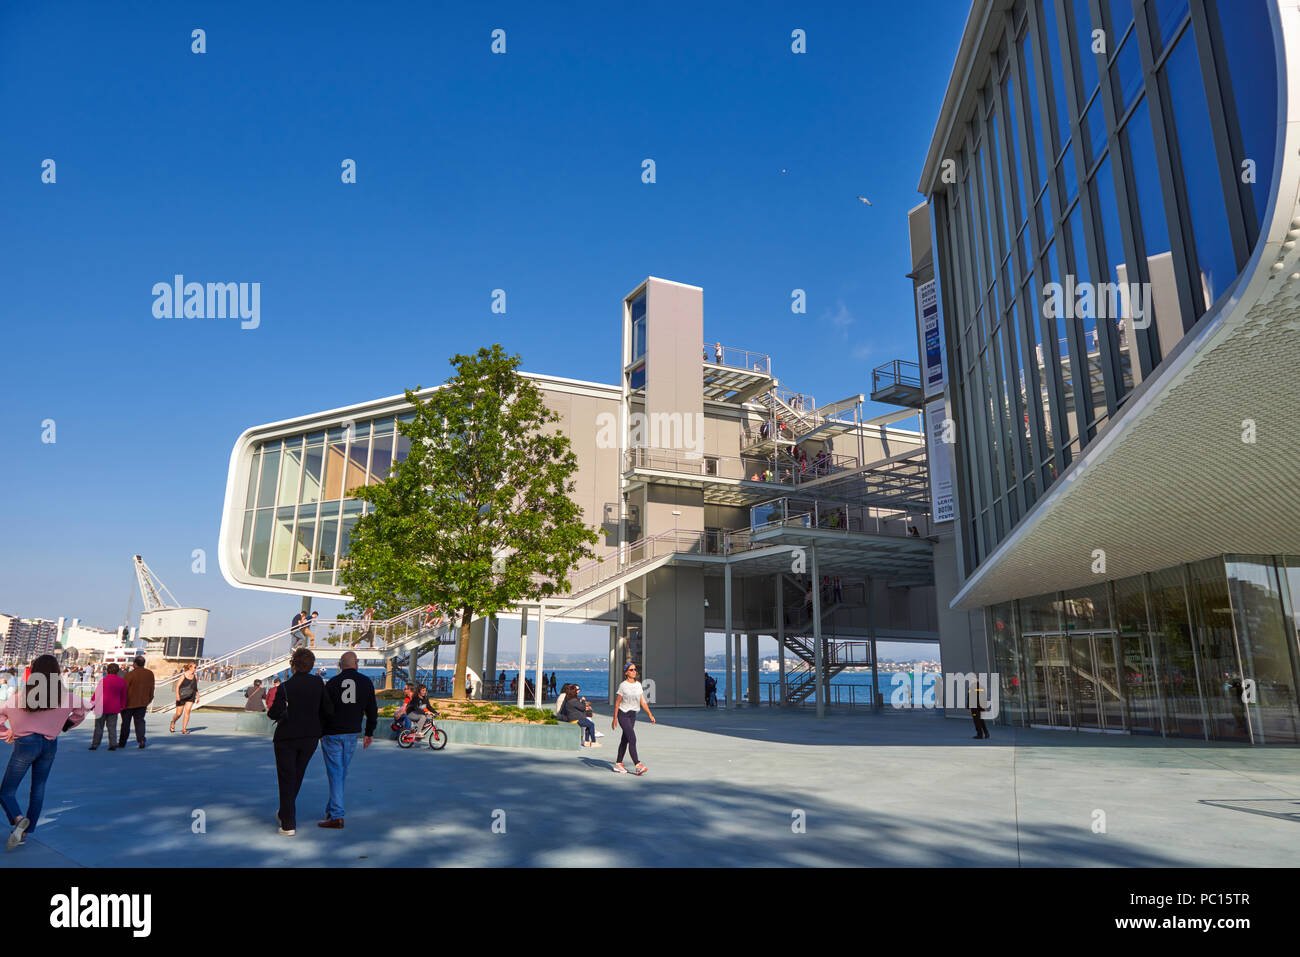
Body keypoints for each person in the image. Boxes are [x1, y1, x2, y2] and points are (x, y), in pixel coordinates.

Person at [0, 655, 88, 850]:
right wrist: (65, 725)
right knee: (38, 789)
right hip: (49, 744)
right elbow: (82, 711)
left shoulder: (20, 697)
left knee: (6, 791)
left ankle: (18, 818)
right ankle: (25, 832)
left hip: (25, 744)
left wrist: (7, 733)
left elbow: (1, 714)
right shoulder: (65, 697)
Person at [267, 648, 334, 836]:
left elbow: (273, 712)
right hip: (310, 737)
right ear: (312, 665)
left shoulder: (285, 687)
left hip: (286, 736)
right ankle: (284, 813)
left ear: (293, 664)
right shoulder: (318, 684)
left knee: (286, 778)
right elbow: (328, 710)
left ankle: (288, 823)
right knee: (297, 776)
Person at [319, 651, 377, 829]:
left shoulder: (332, 683)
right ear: (356, 663)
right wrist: (369, 732)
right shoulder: (366, 682)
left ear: (339, 664)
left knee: (336, 772)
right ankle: (332, 808)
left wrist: (319, 731)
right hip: (352, 733)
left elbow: (324, 709)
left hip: (332, 733)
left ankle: (336, 815)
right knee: (341, 772)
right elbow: (372, 709)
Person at [611, 662, 654, 775]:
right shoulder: (623, 685)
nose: (634, 671)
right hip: (623, 714)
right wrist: (615, 718)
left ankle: (618, 764)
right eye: (631, 670)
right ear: (626, 672)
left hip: (632, 715)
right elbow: (617, 703)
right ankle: (638, 765)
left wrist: (649, 714)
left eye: (635, 669)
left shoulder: (638, 685)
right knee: (632, 739)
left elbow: (642, 701)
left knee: (625, 740)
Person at [117, 655, 154, 749]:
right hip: (142, 702)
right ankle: (141, 740)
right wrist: (149, 699)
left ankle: (122, 743)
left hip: (128, 703)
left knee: (125, 723)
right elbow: (151, 688)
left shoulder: (130, 675)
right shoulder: (150, 673)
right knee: (140, 722)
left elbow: (123, 689)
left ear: (134, 664)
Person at [88, 663, 127, 751]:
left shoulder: (103, 681)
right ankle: (113, 744)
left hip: (101, 707)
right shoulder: (122, 681)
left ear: (107, 670)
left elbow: (97, 694)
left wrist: (91, 705)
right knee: (112, 727)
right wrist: (123, 705)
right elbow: (123, 695)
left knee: (98, 727)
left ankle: (95, 744)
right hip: (114, 707)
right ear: (118, 671)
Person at [170, 662, 199, 734]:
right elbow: (177, 686)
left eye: (196, 667)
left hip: (191, 696)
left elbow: (195, 687)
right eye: (194, 667)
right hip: (181, 696)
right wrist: (177, 696)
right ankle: (173, 722)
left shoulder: (195, 677)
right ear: (190, 667)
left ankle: (184, 729)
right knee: (179, 714)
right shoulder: (183, 676)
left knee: (188, 711)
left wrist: (198, 696)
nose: (196, 669)